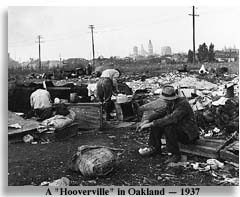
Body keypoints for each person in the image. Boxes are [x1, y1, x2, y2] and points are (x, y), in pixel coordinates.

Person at [137, 85, 199, 163]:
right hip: (180, 131)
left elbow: (172, 118)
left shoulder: (183, 104)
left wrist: (150, 124)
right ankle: (154, 148)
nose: (165, 101)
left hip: (189, 134)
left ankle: (175, 154)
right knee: (157, 123)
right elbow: (160, 112)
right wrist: (147, 120)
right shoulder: (170, 103)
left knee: (169, 126)